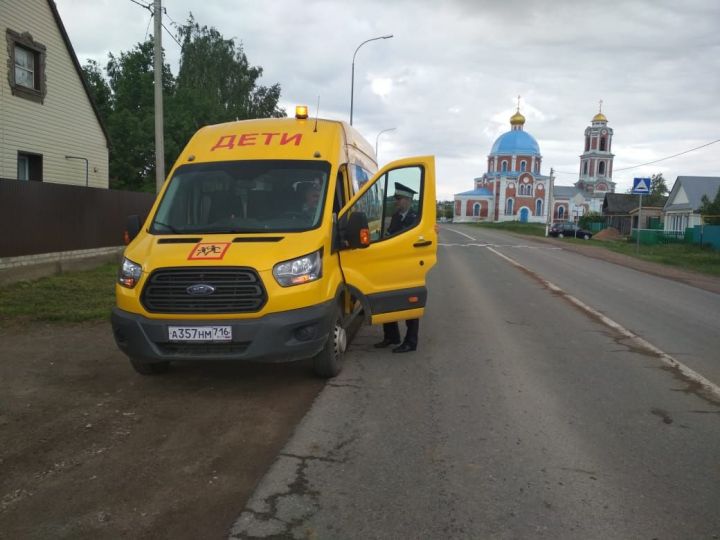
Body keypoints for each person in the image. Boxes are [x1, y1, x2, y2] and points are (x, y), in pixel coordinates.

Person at [374, 182, 420, 354]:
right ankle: (391, 336)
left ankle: (411, 341)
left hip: (408, 267)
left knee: (410, 306)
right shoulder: (395, 217)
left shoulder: (415, 219)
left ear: (408, 200)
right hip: (392, 266)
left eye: (399, 199)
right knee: (387, 301)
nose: (396, 202)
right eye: (396, 199)